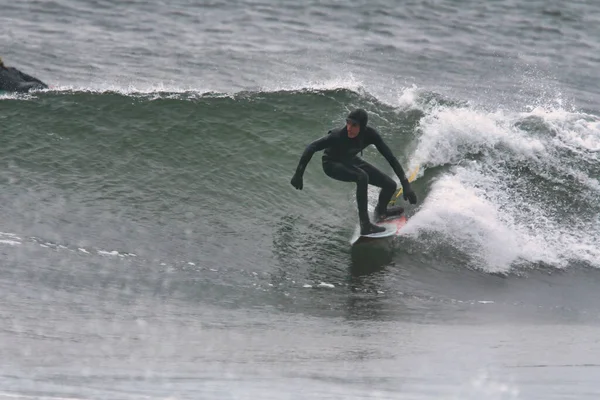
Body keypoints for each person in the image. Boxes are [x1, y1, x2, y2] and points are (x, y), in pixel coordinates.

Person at [290, 108, 418, 235]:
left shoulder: (370, 135)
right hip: (331, 163)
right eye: (348, 123)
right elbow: (312, 147)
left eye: (354, 125)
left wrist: (406, 184)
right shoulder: (338, 135)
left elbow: (390, 157)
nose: (349, 128)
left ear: (362, 127)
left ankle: (381, 212)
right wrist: (299, 173)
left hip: (350, 160)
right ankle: (365, 225)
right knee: (362, 176)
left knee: (390, 185)